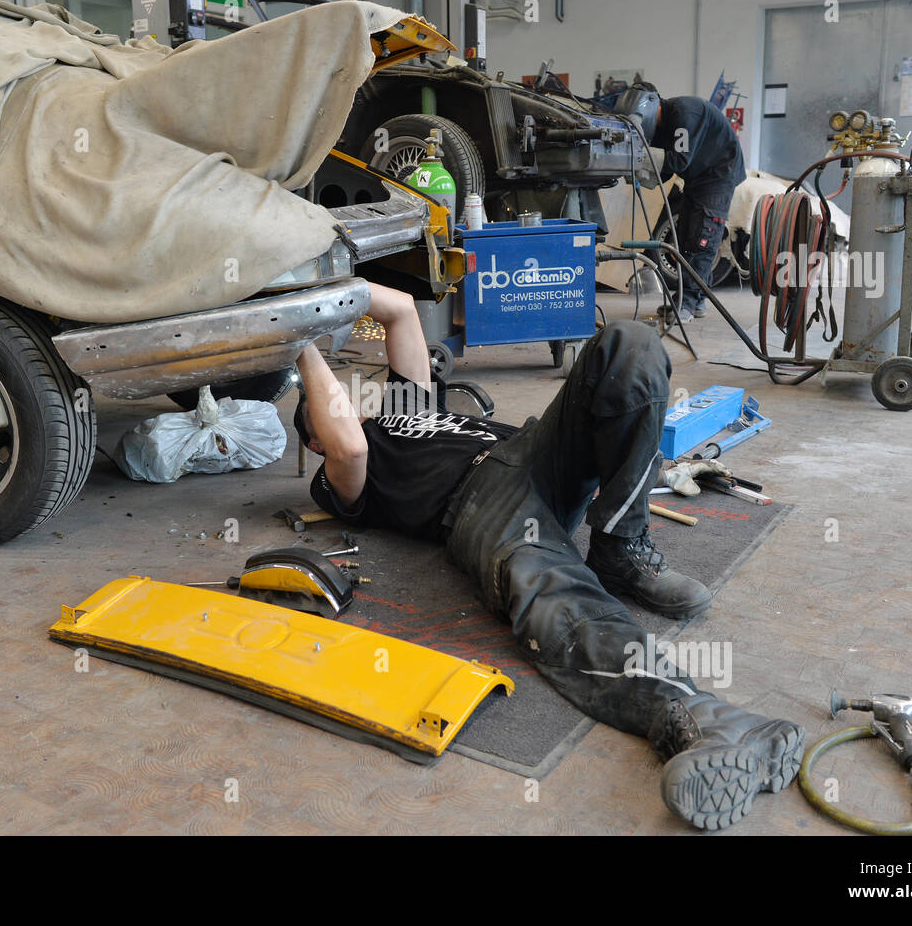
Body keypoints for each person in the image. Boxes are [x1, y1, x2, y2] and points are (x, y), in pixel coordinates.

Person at [293, 282, 804, 831]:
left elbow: (396, 310)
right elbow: (348, 443)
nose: (351, 396)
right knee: (559, 604)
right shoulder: (338, 476)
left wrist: (306, 292)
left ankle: (619, 546)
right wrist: (297, 338)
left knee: (626, 345)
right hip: (481, 507)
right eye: (332, 403)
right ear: (314, 438)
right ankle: (705, 718)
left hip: (532, 455)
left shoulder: (407, 403)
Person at [615, 82, 746, 325]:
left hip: (718, 174)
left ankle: (686, 302)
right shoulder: (663, 124)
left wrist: (638, 160)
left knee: (701, 238)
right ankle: (696, 301)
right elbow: (665, 171)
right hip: (698, 177)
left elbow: (678, 161)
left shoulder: (684, 114)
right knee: (686, 235)